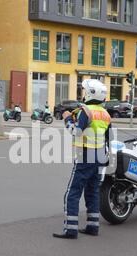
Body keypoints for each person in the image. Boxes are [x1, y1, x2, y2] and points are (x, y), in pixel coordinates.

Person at [53, 79, 112, 239]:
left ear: (91, 93)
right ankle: (93, 226)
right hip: (100, 156)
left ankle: (70, 229)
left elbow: (76, 132)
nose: (84, 94)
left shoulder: (86, 111)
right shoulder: (105, 114)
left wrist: (67, 118)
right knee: (92, 192)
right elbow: (108, 138)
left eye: (85, 91)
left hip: (86, 155)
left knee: (72, 192)